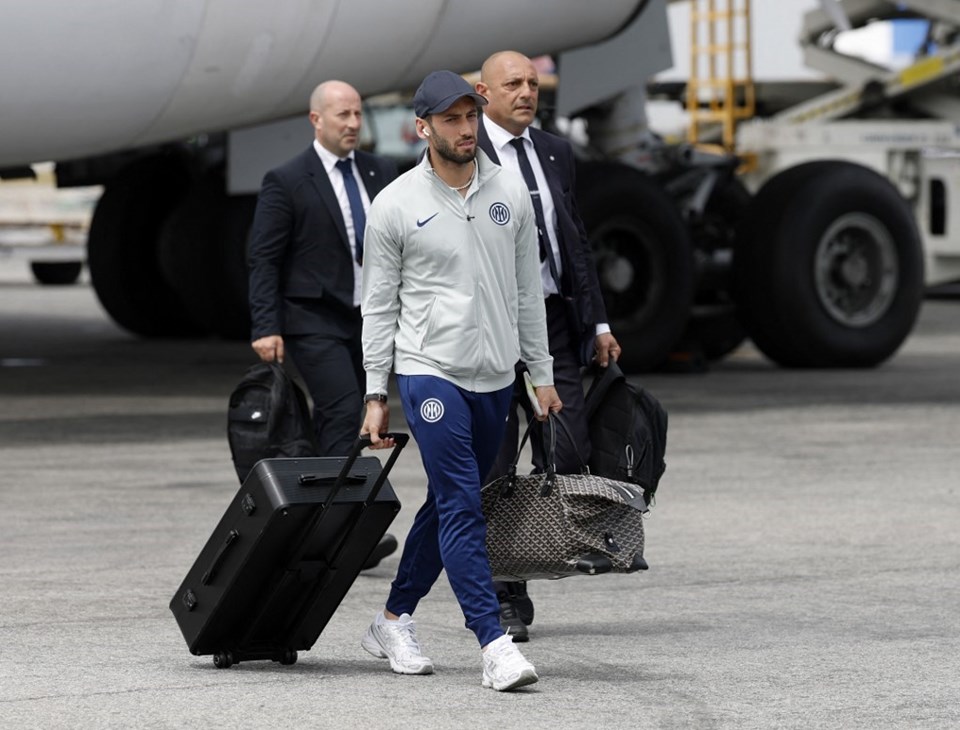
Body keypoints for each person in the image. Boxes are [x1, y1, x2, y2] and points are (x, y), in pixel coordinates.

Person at [357, 70, 562, 691]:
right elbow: (379, 307)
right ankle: (493, 644)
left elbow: (528, 294)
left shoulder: (510, 193)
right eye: (452, 119)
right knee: (464, 504)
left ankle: (392, 620)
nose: (466, 128)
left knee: (451, 500)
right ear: (423, 127)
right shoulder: (395, 204)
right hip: (429, 371)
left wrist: (541, 374)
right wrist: (376, 390)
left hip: (496, 375)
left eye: (471, 116)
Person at [475, 51, 622, 640]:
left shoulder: (555, 150)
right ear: (484, 93)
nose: (526, 93)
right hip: (490, 323)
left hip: (554, 318)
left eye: (533, 83)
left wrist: (599, 322)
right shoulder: (464, 151)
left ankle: (534, 547)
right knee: (494, 462)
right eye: (513, 83)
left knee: (567, 447)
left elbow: (575, 240)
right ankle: (503, 592)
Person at [247, 79, 399, 569]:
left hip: (368, 317)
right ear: (316, 120)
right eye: (342, 115)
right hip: (312, 316)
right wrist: (266, 325)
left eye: (357, 114)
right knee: (344, 409)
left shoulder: (380, 171)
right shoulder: (288, 179)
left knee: (349, 417)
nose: (353, 123)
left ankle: (317, 522)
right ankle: (346, 531)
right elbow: (264, 258)